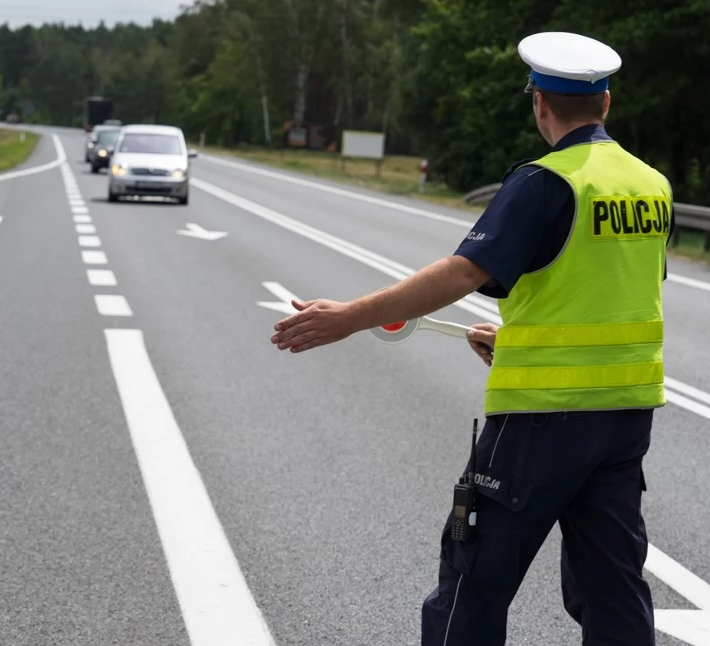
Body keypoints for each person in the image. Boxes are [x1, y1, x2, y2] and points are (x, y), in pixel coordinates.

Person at [269, 31, 674, 646]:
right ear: (607, 103)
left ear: (539, 102)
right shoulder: (651, 185)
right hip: (625, 422)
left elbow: (464, 273)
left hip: (541, 420)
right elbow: (606, 293)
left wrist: (349, 316)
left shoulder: (545, 182)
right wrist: (518, 341)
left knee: (474, 582)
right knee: (612, 590)